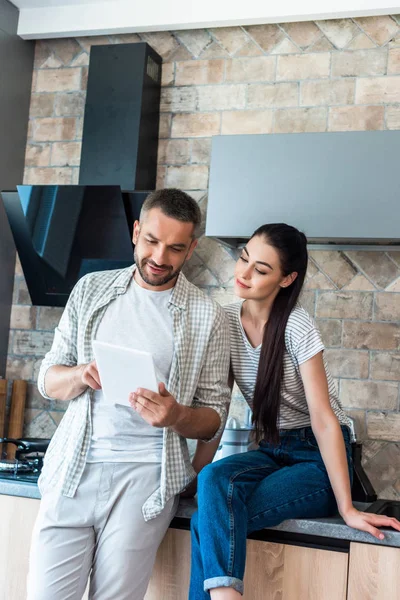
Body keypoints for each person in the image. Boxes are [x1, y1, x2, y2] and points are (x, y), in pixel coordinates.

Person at [27, 188, 230, 600]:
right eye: (152, 241)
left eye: (175, 248)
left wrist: (175, 416)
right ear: (136, 231)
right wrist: (81, 374)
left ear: (191, 248)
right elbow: (47, 379)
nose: (159, 258)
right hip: (72, 471)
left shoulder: (208, 315)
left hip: (145, 481)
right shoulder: (90, 290)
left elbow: (214, 418)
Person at [189, 223, 400, 600]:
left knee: (211, 522)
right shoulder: (225, 321)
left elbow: (323, 419)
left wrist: (347, 507)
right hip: (270, 450)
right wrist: (196, 474)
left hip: (317, 459)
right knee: (212, 488)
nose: (245, 273)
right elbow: (218, 406)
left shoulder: (297, 325)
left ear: (287, 279)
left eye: (261, 269)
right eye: (244, 259)